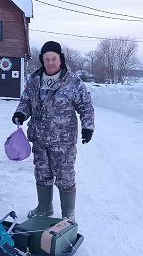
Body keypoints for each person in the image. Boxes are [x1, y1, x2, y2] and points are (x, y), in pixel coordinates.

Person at [12, 41, 95, 221]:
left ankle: (68, 214)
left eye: (54, 58)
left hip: (63, 141)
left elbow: (85, 105)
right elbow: (26, 101)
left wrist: (88, 126)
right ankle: (44, 208)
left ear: (60, 59)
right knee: (42, 174)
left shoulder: (73, 82)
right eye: (46, 59)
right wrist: (21, 113)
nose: (50, 62)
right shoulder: (34, 81)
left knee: (65, 177)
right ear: (42, 60)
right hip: (39, 139)